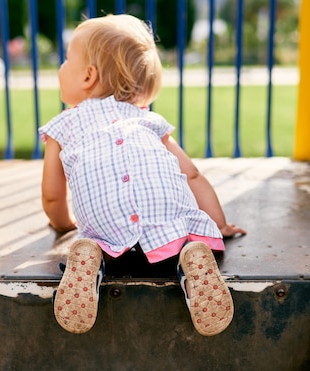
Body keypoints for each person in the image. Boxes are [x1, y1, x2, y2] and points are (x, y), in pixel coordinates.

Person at [39, 14, 246, 336]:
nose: (61, 67)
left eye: (67, 59)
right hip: (167, 222)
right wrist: (219, 224)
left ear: (88, 76)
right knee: (187, 241)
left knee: (102, 240)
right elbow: (191, 174)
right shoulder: (149, 121)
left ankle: (94, 260)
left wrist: (63, 224)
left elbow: (52, 194)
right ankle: (187, 264)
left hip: (107, 224)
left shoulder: (61, 126)